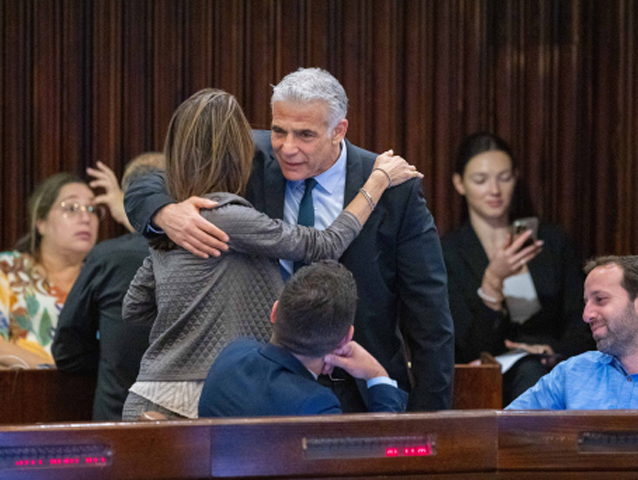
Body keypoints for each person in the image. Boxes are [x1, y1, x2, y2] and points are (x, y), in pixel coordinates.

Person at [124, 68, 454, 412]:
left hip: (357, 392)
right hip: (259, 391)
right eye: (279, 130)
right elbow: (145, 184)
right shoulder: (247, 155)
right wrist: (164, 213)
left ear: (338, 130)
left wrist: (433, 416)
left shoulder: (393, 186)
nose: (288, 148)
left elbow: (430, 315)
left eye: (306, 135)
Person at [442, 132, 594, 405]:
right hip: (486, 380)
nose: (494, 190)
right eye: (481, 180)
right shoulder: (447, 253)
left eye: (504, 177)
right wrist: (492, 282)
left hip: (554, 366)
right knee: (528, 373)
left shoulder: (552, 242)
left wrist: (552, 350)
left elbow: (581, 319)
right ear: (459, 183)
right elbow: (464, 348)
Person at [199, 260, 407, 417]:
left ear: (274, 312)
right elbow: (375, 463)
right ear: (346, 339)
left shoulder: (231, 355)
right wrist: (376, 374)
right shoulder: (317, 405)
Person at [52, 153, 164, 421]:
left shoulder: (108, 258)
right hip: (199, 435)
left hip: (117, 428)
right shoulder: (218, 252)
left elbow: (67, 352)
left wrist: (110, 362)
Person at [507, 255, 638, 410]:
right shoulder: (572, 373)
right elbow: (501, 428)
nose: (586, 315)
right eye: (586, 303)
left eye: (600, 299)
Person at [0, 173, 100, 367]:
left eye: (92, 209)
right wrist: (53, 372)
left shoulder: (104, 282)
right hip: (23, 391)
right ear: (41, 222)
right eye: (71, 208)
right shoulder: (8, 270)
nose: (86, 218)